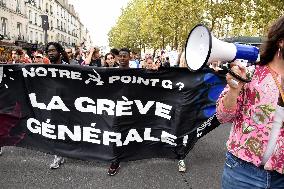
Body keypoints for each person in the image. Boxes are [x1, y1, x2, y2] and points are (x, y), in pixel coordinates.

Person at [216, 16, 284, 189]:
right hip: (242, 173)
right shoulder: (251, 73)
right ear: (281, 42)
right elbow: (223, 116)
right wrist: (234, 90)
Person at [45, 42, 69, 169]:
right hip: (53, 104)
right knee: (56, 128)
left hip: (69, 104)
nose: (51, 53)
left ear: (59, 52)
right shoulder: (44, 69)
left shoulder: (69, 68)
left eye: (53, 50)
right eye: (49, 51)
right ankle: (58, 155)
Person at [107, 48, 131, 176]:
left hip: (135, 109)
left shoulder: (138, 72)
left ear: (129, 58)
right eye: (120, 56)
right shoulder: (111, 73)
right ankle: (115, 160)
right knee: (116, 133)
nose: (122, 58)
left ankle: (133, 153)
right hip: (117, 109)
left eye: (125, 56)